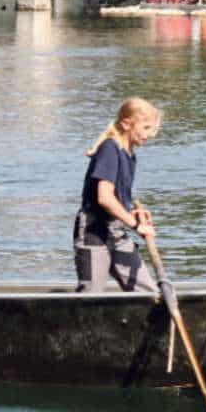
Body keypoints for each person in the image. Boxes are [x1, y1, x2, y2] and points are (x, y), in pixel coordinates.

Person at [73, 98, 161, 294]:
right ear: (127, 124)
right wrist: (136, 225)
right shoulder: (109, 149)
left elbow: (117, 197)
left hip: (117, 232)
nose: (150, 134)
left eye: (153, 129)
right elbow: (104, 198)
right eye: (146, 128)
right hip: (94, 232)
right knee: (90, 295)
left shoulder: (129, 154)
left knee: (148, 293)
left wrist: (133, 213)